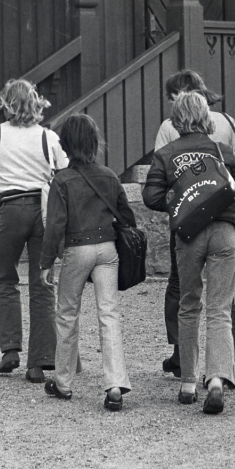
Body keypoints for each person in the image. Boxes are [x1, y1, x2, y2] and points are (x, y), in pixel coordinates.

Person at [143, 91, 235, 414]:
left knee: (189, 304)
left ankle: (188, 382)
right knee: (220, 308)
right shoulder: (222, 151)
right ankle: (216, 379)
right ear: (206, 118)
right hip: (224, 231)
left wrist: (182, 199)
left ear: (176, 121)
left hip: (188, 233)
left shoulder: (166, 154)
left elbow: (151, 197)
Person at [39, 114, 132, 411]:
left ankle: (63, 383)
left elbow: (55, 225)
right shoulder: (109, 175)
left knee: (67, 313)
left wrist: (46, 262)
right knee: (109, 314)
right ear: (94, 142)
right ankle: (115, 385)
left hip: (77, 249)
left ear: (66, 144)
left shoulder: (62, 180)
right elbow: (127, 217)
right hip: (107, 249)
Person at [0, 79, 68, 382]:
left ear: (6, 104)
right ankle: (40, 361)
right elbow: (64, 171)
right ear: (35, 103)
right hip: (43, 208)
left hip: (11, 208)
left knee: (4, 277)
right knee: (42, 281)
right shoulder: (48, 137)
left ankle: (10, 349)